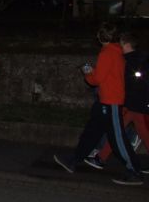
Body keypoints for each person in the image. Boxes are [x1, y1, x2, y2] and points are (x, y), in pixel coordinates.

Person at [55, 24, 143, 185]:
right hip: (106, 100)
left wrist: (88, 73)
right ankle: (74, 159)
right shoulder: (117, 51)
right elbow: (108, 75)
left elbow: (96, 80)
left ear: (100, 37)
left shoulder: (107, 53)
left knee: (117, 139)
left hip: (111, 101)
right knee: (92, 131)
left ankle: (134, 171)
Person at [91, 32, 148, 169]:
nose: (119, 47)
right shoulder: (139, 58)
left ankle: (102, 158)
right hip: (137, 104)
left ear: (127, 45)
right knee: (138, 132)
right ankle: (101, 157)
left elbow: (132, 84)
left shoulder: (131, 61)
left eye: (121, 45)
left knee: (117, 131)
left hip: (133, 104)